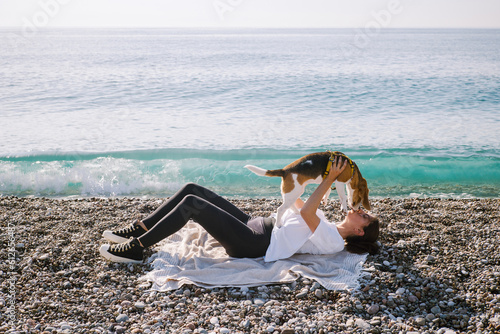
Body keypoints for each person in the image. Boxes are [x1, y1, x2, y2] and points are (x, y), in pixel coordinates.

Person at [99, 157, 380, 264]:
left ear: (359, 231)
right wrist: (315, 178)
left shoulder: (333, 240)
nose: (361, 210)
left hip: (254, 243)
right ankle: (141, 228)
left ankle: (137, 248)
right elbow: (299, 205)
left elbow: (307, 213)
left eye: (365, 216)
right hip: (255, 224)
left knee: (191, 206)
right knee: (192, 188)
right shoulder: (327, 223)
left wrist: (331, 179)